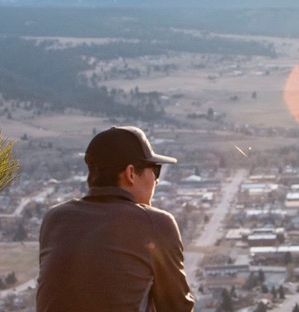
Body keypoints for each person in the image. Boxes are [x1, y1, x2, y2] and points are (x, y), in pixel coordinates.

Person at [37, 126, 195, 311]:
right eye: (155, 170)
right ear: (130, 174)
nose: (156, 180)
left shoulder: (55, 219)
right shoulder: (154, 223)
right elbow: (177, 307)